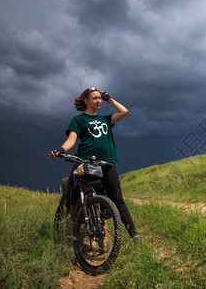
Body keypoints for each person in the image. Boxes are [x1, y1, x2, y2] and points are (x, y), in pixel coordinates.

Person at [49, 87, 142, 241]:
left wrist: (109, 99)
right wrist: (60, 149)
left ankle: (134, 234)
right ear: (86, 101)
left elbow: (124, 112)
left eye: (100, 98)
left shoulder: (106, 119)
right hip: (84, 161)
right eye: (95, 98)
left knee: (118, 200)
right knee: (68, 194)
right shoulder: (78, 120)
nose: (98, 101)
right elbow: (71, 140)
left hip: (107, 163)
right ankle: (57, 227)